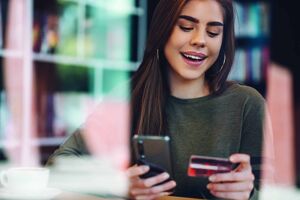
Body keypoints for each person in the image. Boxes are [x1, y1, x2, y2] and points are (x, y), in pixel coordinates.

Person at [47, 0, 266, 199]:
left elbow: (274, 193)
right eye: (186, 27)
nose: (200, 40)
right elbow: (58, 166)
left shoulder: (247, 104)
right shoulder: (128, 97)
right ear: (163, 29)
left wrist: (248, 194)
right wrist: (119, 184)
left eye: (213, 32)